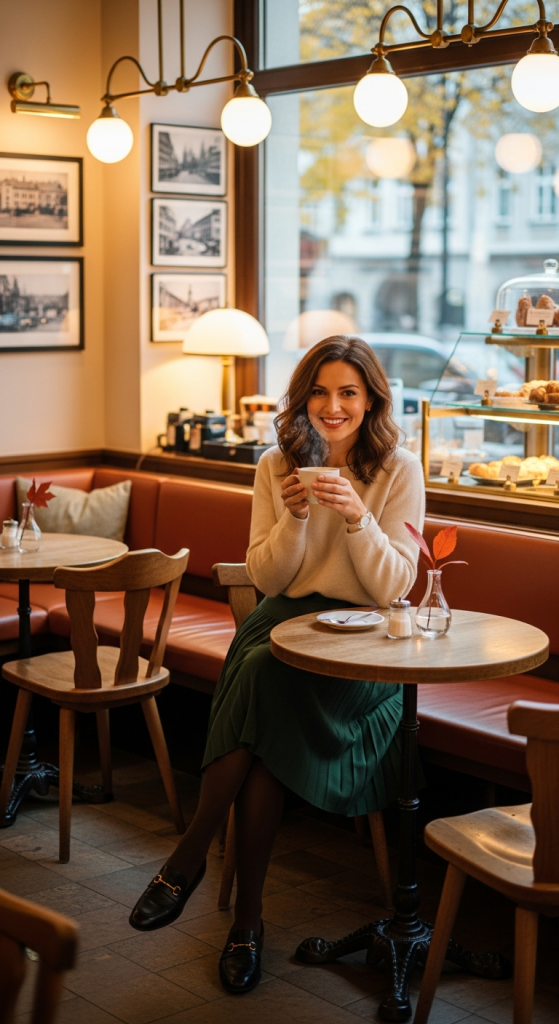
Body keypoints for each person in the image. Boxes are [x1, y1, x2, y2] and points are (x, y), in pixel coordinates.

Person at [129, 334, 425, 994]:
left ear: (371, 398)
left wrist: (354, 518)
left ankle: (193, 865)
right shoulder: (275, 465)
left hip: (365, 645)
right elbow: (267, 578)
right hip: (284, 622)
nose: (332, 405)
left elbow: (393, 590)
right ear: (303, 399)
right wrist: (293, 519)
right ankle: (244, 922)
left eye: (348, 391)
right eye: (319, 391)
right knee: (263, 702)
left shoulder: (398, 469)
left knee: (259, 690)